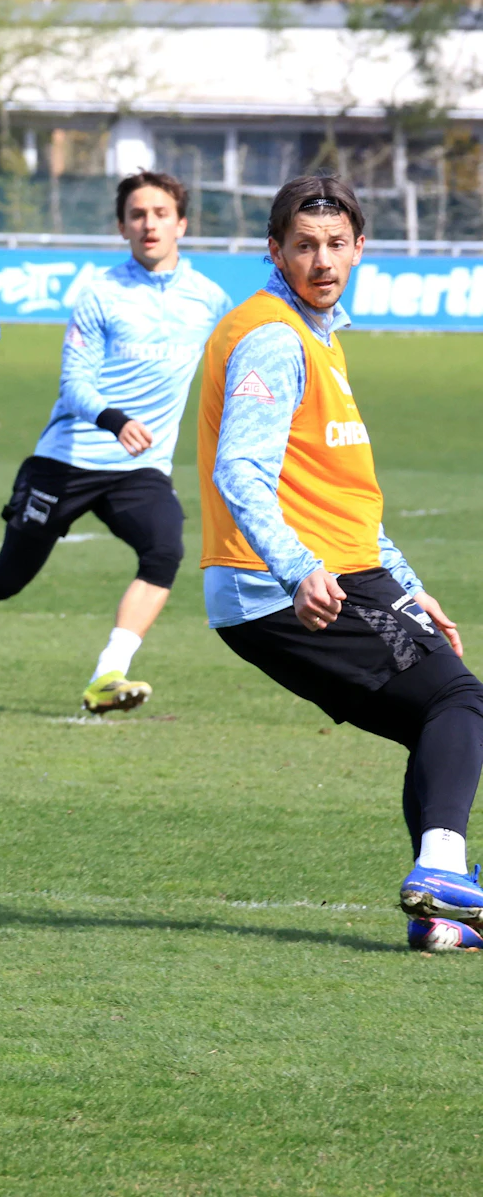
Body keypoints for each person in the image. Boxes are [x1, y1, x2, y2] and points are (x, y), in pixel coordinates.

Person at [197, 175, 483, 953]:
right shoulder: (272, 335)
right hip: (286, 581)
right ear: (275, 250)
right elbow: (241, 471)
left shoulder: (317, 332)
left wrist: (412, 589)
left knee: (442, 714)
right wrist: (296, 569)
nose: (320, 259)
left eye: (334, 244)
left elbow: (344, 491)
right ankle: (446, 875)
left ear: (360, 247)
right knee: (459, 702)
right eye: (303, 245)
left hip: (345, 568)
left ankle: (439, 915)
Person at [0, 170, 231, 714]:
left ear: (182, 223)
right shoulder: (100, 294)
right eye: (137, 215)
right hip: (68, 458)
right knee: (9, 576)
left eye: (160, 214)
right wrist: (114, 418)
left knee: (165, 547)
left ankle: (108, 673)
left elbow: (239, 356)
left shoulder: (210, 301)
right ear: (122, 226)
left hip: (140, 467)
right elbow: (74, 384)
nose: (149, 224)